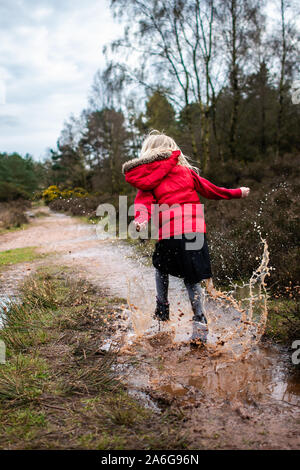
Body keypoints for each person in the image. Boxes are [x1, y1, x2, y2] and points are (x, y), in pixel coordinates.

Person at [122, 131, 250, 338]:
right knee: (192, 278)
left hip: (170, 235)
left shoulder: (148, 180)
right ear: (172, 150)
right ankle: (199, 320)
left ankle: (162, 308)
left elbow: (143, 203)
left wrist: (141, 220)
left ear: (148, 153)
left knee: (160, 268)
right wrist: (237, 192)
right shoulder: (186, 172)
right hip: (195, 232)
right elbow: (212, 190)